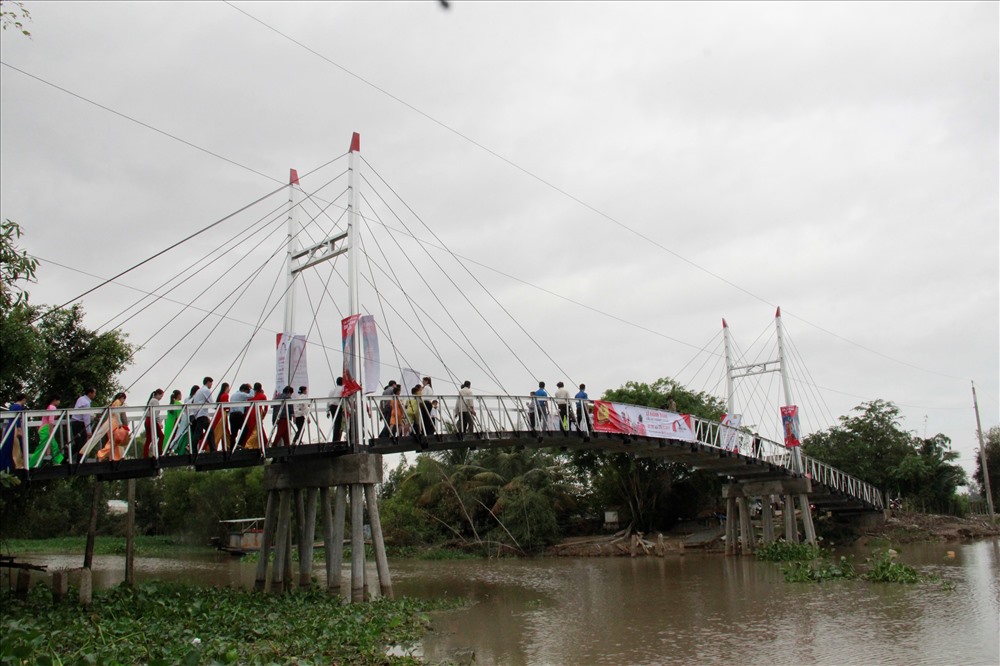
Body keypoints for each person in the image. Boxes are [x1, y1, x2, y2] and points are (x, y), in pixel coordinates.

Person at [96, 392, 128, 462]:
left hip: (110, 424)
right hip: (114, 424)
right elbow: (116, 413)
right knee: (114, 441)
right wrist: (120, 423)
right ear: (122, 398)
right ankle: (104, 455)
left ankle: (112, 457)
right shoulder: (117, 402)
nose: (123, 402)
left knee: (113, 442)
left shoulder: (113, 403)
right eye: (124, 399)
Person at [33, 396, 64, 467]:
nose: (59, 402)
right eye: (59, 400)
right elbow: (51, 422)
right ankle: (33, 464)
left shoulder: (49, 407)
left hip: (44, 428)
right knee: (43, 447)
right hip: (46, 429)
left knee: (52, 445)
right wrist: (51, 433)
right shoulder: (52, 407)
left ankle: (56, 461)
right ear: (55, 400)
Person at [1, 394, 28, 471]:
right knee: (16, 446)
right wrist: (19, 429)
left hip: (10, 426)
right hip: (14, 428)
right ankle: (18, 464)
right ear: (23, 399)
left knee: (9, 445)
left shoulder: (12, 406)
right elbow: (18, 419)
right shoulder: (18, 407)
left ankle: (8, 464)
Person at [70, 388, 97, 461]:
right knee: (82, 444)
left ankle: (66, 458)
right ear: (90, 393)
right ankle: (80, 462)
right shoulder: (86, 403)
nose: (95, 395)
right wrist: (89, 431)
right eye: (94, 393)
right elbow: (86, 417)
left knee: (77, 443)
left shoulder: (81, 399)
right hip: (79, 423)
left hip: (74, 422)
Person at [240, 382, 269, 449]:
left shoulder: (251, 396)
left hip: (249, 413)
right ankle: (249, 444)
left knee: (251, 429)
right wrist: (263, 415)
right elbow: (266, 407)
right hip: (256, 413)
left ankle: (256, 445)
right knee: (256, 430)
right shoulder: (262, 396)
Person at [190, 377, 214, 452]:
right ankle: (193, 449)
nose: (211, 385)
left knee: (209, 431)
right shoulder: (206, 390)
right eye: (211, 383)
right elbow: (212, 402)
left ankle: (213, 448)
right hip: (202, 414)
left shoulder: (199, 391)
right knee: (199, 432)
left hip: (199, 414)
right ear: (208, 382)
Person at [163, 389, 187, 454]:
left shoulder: (171, 403)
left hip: (168, 423)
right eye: (181, 394)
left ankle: (165, 452)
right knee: (177, 437)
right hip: (174, 423)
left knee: (168, 439)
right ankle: (179, 451)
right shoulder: (178, 404)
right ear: (178, 395)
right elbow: (180, 416)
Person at [208, 382, 231, 452]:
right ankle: (226, 446)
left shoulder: (221, 395)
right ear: (226, 388)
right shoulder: (225, 395)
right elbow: (226, 406)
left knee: (223, 430)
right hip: (222, 414)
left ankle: (227, 446)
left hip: (219, 413)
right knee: (220, 430)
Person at [143, 389, 165, 458]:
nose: (161, 398)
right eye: (161, 396)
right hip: (152, 421)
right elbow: (156, 413)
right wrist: (159, 423)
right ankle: (159, 451)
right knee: (161, 436)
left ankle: (145, 454)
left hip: (147, 420)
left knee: (149, 439)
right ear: (158, 394)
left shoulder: (151, 400)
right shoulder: (155, 401)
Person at [327, 377, 344, 443]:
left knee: (334, 422)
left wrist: (327, 410)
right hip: (337, 406)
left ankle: (335, 438)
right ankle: (336, 439)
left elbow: (328, 400)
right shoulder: (342, 389)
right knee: (338, 424)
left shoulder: (332, 390)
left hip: (332, 407)